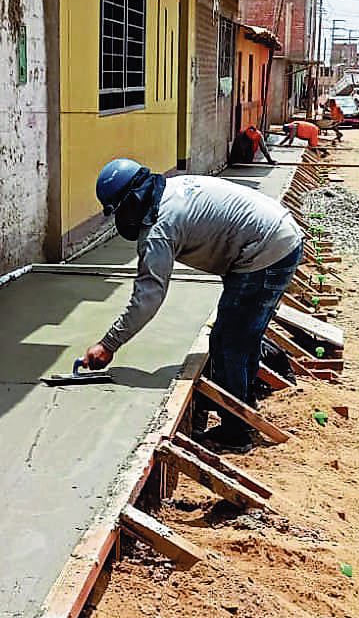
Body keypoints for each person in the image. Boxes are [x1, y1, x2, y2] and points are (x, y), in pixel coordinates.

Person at [84, 159, 305, 451]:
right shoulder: (172, 188)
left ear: (131, 202)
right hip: (279, 236)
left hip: (265, 250)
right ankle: (245, 402)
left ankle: (236, 431)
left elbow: (148, 297)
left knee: (228, 343)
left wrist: (108, 344)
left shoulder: (160, 227)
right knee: (242, 337)